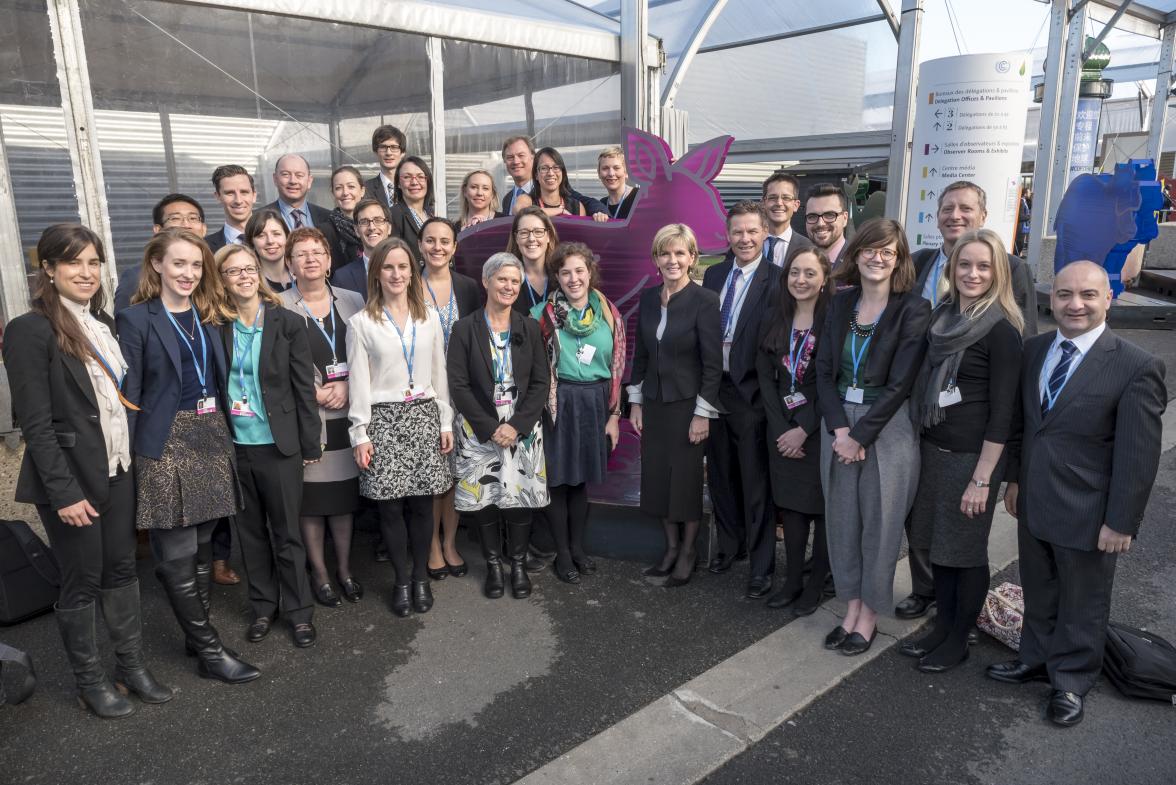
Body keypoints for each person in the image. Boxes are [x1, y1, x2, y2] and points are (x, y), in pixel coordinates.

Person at [4, 224, 172, 717]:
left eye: (94, 262)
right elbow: (35, 424)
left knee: (121, 568)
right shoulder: (28, 329)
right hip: (72, 480)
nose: (86, 271)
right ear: (49, 270)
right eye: (73, 262)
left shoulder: (103, 322)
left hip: (117, 468)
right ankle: (90, 680)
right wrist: (63, 493)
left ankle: (131, 666)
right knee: (82, 579)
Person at [989, 260, 1166, 728]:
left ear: (1110, 299)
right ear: (1052, 299)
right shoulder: (1036, 349)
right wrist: (1014, 480)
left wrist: (1121, 521)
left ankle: (1070, 681)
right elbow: (1023, 426)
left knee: (1082, 601)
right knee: (1040, 589)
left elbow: (1137, 453)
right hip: (1034, 501)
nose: (1075, 304)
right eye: (1065, 294)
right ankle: (1035, 659)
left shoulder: (1136, 366)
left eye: (1088, 295)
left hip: (1090, 510)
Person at [117, 229, 259, 684]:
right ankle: (212, 650)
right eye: (179, 263)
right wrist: (136, 461)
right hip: (165, 444)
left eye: (196, 265)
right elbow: (131, 395)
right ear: (157, 264)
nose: (188, 273)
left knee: (202, 545)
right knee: (177, 550)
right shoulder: (136, 319)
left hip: (211, 435)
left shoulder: (209, 315)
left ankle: (194, 640)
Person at [897, 180, 1039, 622]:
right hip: (926, 421)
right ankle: (929, 595)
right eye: (947, 208)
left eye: (966, 209)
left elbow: (1017, 365)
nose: (955, 216)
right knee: (923, 523)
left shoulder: (1011, 276)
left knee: (961, 537)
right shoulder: (921, 265)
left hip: (974, 437)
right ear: (936, 215)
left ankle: (958, 621)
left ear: (982, 215)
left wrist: (1003, 467)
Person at [815, 218, 930, 657]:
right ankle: (851, 606)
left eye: (888, 251)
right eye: (870, 249)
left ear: (899, 260)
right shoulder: (840, 304)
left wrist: (860, 434)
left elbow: (901, 382)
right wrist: (840, 429)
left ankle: (870, 615)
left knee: (880, 526)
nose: (877, 257)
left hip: (889, 428)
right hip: (839, 423)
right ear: (856, 253)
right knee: (842, 523)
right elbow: (823, 371)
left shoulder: (913, 309)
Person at [214, 244, 321, 648]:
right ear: (221, 279)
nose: (242, 276)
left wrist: (311, 443)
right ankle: (262, 607)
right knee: (250, 534)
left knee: (287, 532)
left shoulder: (288, 323)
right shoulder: (216, 325)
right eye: (232, 271)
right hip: (236, 446)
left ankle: (298, 612)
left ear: (259, 273)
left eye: (248, 268)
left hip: (279, 446)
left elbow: (302, 389)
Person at [347, 237, 454, 617]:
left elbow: (439, 372)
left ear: (413, 271)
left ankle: (421, 577)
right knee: (390, 510)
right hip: (384, 421)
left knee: (423, 506)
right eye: (388, 267)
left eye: (403, 266)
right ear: (377, 273)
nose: (396, 274)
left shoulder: (428, 317)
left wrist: (445, 420)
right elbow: (358, 381)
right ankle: (401, 580)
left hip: (424, 416)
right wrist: (360, 433)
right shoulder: (361, 322)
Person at [447, 252, 551, 600]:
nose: (508, 286)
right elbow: (458, 385)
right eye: (502, 279)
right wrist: (491, 427)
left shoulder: (529, 327)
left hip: (522, 427)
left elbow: (540, 382)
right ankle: (493, 565)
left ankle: (518, 564)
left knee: (519, 498)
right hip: (480, 427)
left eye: (514, 281)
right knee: (486, 499)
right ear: (486, 281)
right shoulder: (464, 329)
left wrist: (518, 425)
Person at [627, 225, 722, 587]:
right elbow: (640, 355)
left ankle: (687, 551)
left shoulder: (705, 300)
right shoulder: (649, 299)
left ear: (693, 258)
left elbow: (713, 365)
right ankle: (668, 547)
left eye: (680, 253)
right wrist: (635, 403)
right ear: (656, 259)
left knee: (683, 483)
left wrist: (702, 414)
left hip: (688, 406)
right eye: (665, 253)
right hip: (654, 403)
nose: (673, 260)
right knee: (656, 481)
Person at [532, 242, 627, 583]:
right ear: (556, 277)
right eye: (565, 272)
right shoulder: (541, 316)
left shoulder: (608, 313)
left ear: (590, 272)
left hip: (597, 403)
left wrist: (614, 415)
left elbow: (617, 368)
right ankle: (563, 554)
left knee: (580, 483)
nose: (573, 278)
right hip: (558, 404)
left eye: (579, 270)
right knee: (558, 481)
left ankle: (578, 548)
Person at [280, 229, 366, 608]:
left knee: (343, 498)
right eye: (301, 254)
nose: (311, 259)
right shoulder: (277, 305)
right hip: (309, 417)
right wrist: (311, 392)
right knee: (312, 502)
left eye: (318, 252)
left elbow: (366, 352)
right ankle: (320, 573)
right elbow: (273, 363)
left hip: (349, 414)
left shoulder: (354, 300)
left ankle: (346, 569)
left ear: (330, 260)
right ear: (290, 264)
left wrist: (349, 384)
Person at [702, 202, 781, 598]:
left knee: (755, 481)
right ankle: (730, 547)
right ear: (727, 235)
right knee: (720, 475)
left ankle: (762, 565)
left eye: (752, 232)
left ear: (765, 233)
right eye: (737, 232)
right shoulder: (714, 274)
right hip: (716, 391)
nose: (744, 239)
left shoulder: (779, 280)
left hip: (753, 394)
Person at [755, 245, 833, 615]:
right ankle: (792, 581)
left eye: (810, 273)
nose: (800, 280)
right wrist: (780, 428)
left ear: (824, 279)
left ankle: (816, 584)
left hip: (818, 430)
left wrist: (802, 428)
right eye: (794, 273)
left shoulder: (834, 319)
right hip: (781, 431)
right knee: (792, 508)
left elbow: (831, 380)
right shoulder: (775, 316)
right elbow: (766, 379)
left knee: (821, 510)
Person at [418, 217, 482, 579]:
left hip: (460, 393)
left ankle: (450, 543)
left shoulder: (469, 287)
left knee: (455, 472)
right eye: (430, 240)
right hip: (422, 395)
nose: (437, 247)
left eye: (445, 241)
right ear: (420, 245)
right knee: (431, 474)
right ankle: (430, 546)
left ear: (455, 247)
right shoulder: (408, 285)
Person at [114, 194, 206, 313]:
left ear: (204, 229)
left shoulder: (215, 269)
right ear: (158, 230)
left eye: (193, 218)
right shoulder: (136, 277)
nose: (186, 225)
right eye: (175, 218)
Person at [266, 153, 345, 268]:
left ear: (309, 181)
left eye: (299, 175)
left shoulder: (329, 218)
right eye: (285, 174)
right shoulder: (259, 218)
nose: (293, 181)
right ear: (275, 179)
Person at [334, 198, 394, 297]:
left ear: (389, 228)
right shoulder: (342, 278)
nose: (372, 227)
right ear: (357, 230)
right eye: (364, 222)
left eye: (378, 220)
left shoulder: (407, 272)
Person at [505, 207, 560, 316]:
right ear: (516, 238)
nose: (531, 238)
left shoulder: (562, 277)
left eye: (538, 232)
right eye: (524, 232)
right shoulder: (505, 281)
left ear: (548, 236)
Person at [388, 155, 435, 263]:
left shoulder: (430, 214)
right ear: (398, 183)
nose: (414, 182)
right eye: (407, 177)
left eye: (420, 176)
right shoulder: (392, 215)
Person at [516, 147, 587, 217]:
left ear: (562, 172)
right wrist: (560, 211)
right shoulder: (526, 200)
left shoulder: (577, 206)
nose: (550, 173)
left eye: (556, 167)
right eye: (544, 168)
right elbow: (522, 213)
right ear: (536, 175)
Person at [761, 173, 813, 265]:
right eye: (773, 197)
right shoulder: (749, 243)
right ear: (763, 203)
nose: (779, 203)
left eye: (786, 198)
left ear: (796, 205)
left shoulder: (808, 248)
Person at [206, 164, 257, 253]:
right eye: (230, 193)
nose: (238, 200)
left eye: (244, 192)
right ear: (218, 196)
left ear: (254, 196)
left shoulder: (278, 239)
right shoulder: (205, 247)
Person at [243, 208, 293, 293]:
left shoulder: (302, 273)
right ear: (252, 242)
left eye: (276, 234)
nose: (270, 241)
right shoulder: (250, 283)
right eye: (261, 236)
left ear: (287, 237)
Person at [804, 183, 851, 273]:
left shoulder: (858, 264)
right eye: (812, 216)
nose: (820, 223)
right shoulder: (800, 262)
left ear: (845, 218)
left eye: (829, 215)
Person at [328, 165, 367, 263]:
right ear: (333, 193)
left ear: (362, 191)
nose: (345, 192)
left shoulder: (375, 224)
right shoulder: (326, 231)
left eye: (351, 186)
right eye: (338, 188)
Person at [365, 125, 406, 209]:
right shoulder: (365, 189)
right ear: (375, 152)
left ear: (402, 153)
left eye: (394, 147)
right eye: (383, 147)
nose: (388, 153)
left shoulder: (412, 186)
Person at [596, 146, 639, 221]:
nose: (611, 173)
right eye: (605, 168)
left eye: (616, 168)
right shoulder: (601, 205)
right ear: (599, 173)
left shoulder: (640, 198)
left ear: (626, 172)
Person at [501, 135, 536, 214]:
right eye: (510, 157)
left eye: (521, 155)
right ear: (504, 160)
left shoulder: (546, 192)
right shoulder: (507, 199)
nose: (516, 161)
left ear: (533, 157)